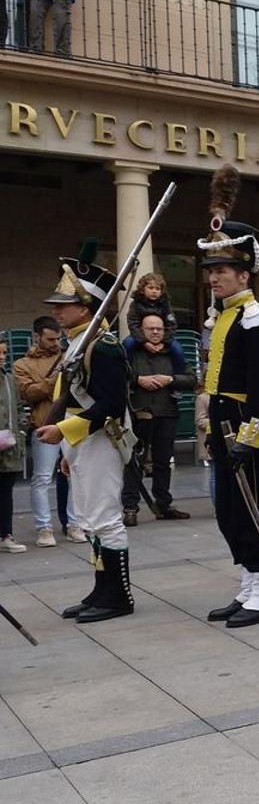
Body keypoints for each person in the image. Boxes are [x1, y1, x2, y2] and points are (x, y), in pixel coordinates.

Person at [198, 167, 259, 628]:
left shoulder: (255, 318)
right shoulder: (227, 316)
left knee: (251, 508)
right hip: (223, 418)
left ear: (244, 272)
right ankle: (249, 582)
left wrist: (249, 435)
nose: (214, 278)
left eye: (222, 270)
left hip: (247, 421)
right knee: (229, 512)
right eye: (211, 270)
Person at [34, 238, 133, 622]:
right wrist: (66, 449)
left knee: (105, 519)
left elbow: (111, 405)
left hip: (99, 441)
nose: (56, 311)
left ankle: (118, 596)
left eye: (64, 305)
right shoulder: (77, 343)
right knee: (89, 520)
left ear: (86, 307)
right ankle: (101, 588)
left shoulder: (103, 346)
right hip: (80, 443)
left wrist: (64, 432)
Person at [12, 315, 83, 546]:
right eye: (50, 339)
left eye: (58, 338)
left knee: (74, 475)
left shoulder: (68, 355)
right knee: (42, 477)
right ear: (37, 337)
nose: (55, 343)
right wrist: (56, 379)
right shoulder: (23, 364)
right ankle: (44, 527)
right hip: (43, 422)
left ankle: (74, 523)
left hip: (70, 422)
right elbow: (28, 392)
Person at [122, 313, 194, 524]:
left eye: (159, 329)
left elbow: (192, 379)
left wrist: (170, 379)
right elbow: (117, 375)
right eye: (150, 329)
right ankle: (130, 508)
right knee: (133, 462)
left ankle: (163, 505)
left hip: (167, 413)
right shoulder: (131, 352)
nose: (155, 332)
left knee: (163, 462)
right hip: (139, 413)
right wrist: (138, 380)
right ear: (141, 331)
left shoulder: (173, 353)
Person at [0, 340, 26, 553]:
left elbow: (18, 407)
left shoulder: (9, 379)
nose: (2, 357)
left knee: (6, 491)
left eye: (4, 352)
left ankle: (5, 534)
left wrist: (22, 429)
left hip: (8, 445)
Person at [127, 272, 180, 345]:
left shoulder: (165, 305)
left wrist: (164, 341)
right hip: (140, 337)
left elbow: (171, 324)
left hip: (162, 338)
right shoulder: (135, 304)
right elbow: (133, 324)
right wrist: (144, 341)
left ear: (161, 292)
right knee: (127, 344)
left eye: (157, 289)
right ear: (142, 290)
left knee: (178, 350)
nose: (154, 291)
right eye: (150, 288)